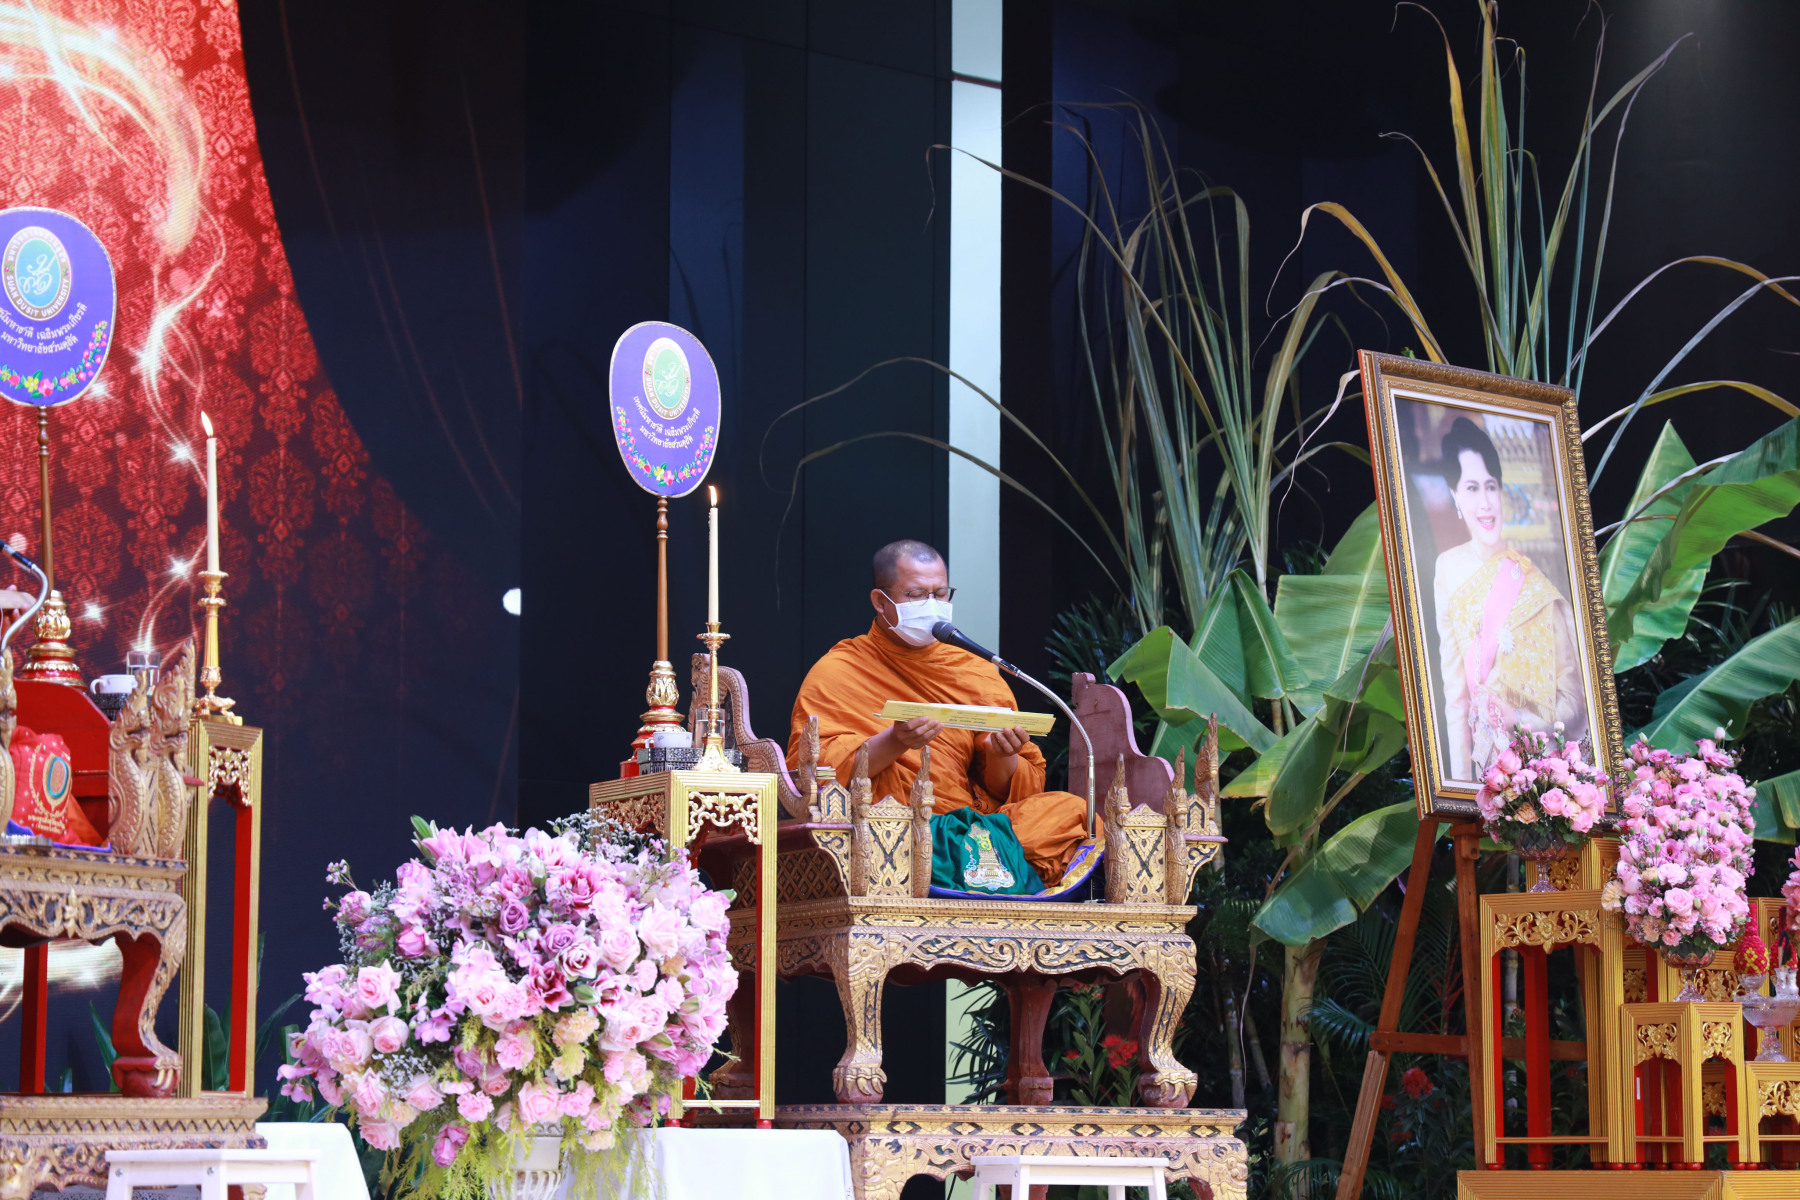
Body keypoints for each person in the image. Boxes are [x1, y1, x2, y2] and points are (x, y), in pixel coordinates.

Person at [787, 540, 1088, 887]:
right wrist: (895, 741)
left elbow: (1015, 791)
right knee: (890, 839)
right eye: (916, 594)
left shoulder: (973, 670)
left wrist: (1001, 756)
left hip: (970, 827)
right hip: (895, 828)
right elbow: (814, 772)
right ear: (880, 602)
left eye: (941, 594)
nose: (931, 605)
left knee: (1073, 811)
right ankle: (975, 864)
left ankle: (961, 861)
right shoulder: (840, 671)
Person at [1431, 417, 1586, 780]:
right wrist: (1461, 790)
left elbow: (1575, 705)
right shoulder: (1447, 569)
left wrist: (1519, 719)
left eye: (1491, 486)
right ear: (1455, 495)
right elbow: (1456, 698)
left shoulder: (1533, 584)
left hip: (1543, 778)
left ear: (1501, 490)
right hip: (1485, 777)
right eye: (1472, 488)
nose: (1485, 503)